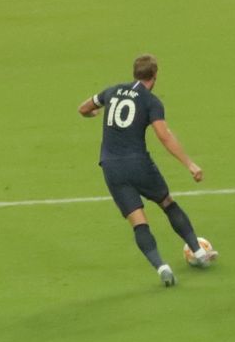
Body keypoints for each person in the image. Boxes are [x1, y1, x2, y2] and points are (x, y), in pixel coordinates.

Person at [77, 54, 218, 287]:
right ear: (155, 76)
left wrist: (93, 114)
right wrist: (190, 164)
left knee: (139, 222)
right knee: (167, 203)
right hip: (138, 164)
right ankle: (199, 252)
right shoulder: (151, 101)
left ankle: (161, 267)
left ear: (135, 72)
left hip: (111, 167)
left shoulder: (111, 91)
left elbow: (83, 108)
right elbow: (164, 135)